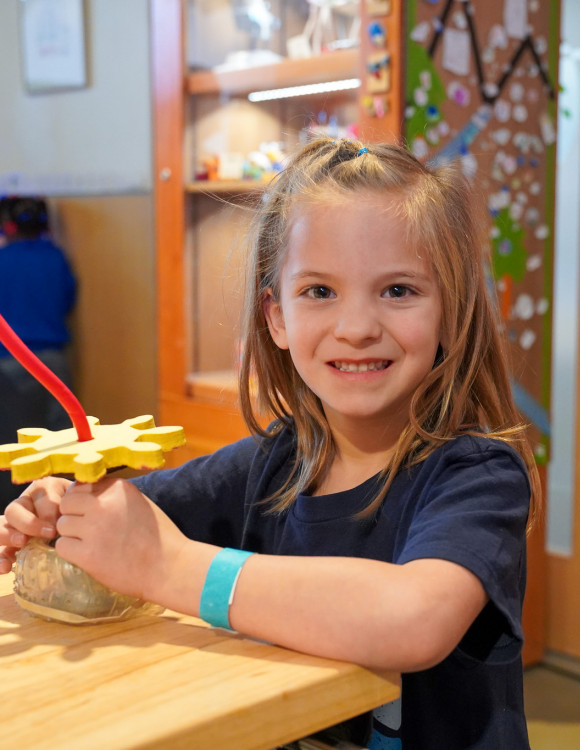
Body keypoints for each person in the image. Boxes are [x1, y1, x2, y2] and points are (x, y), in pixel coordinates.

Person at [0, 139, 540, 749]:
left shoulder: (478, 474)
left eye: (398, 291)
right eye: (318, 292)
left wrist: (168, 566)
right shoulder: (275, 461)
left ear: (450, 309)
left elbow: (414, 620)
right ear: (276, 316)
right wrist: (60, 511)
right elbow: (131, 514)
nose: (357, 327)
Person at [0, 196, 77, 510]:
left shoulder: (3, 259)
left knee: (12, 449)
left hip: (6, 366)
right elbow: (67, 301)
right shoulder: (57, 258)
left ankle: (14, 515)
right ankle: (57, 514)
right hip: (54, 365)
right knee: (58, 448)